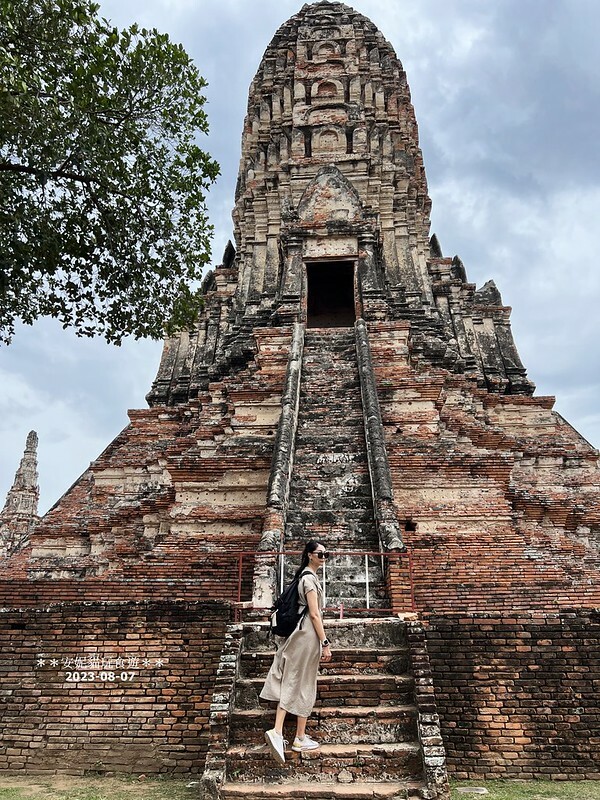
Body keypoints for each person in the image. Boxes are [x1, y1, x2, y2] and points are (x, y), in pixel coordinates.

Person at [260, 539, 332, 765]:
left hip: (301, 636)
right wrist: (325, 642)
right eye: (321, 553)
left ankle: (299, 737)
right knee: (297, 681)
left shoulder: (304, 576)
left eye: (326, 554)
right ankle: (278, 730)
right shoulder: (309, 580)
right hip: (308, 636)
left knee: (303, 682)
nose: (324, 557)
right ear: (310, 555)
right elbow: (314, 615)